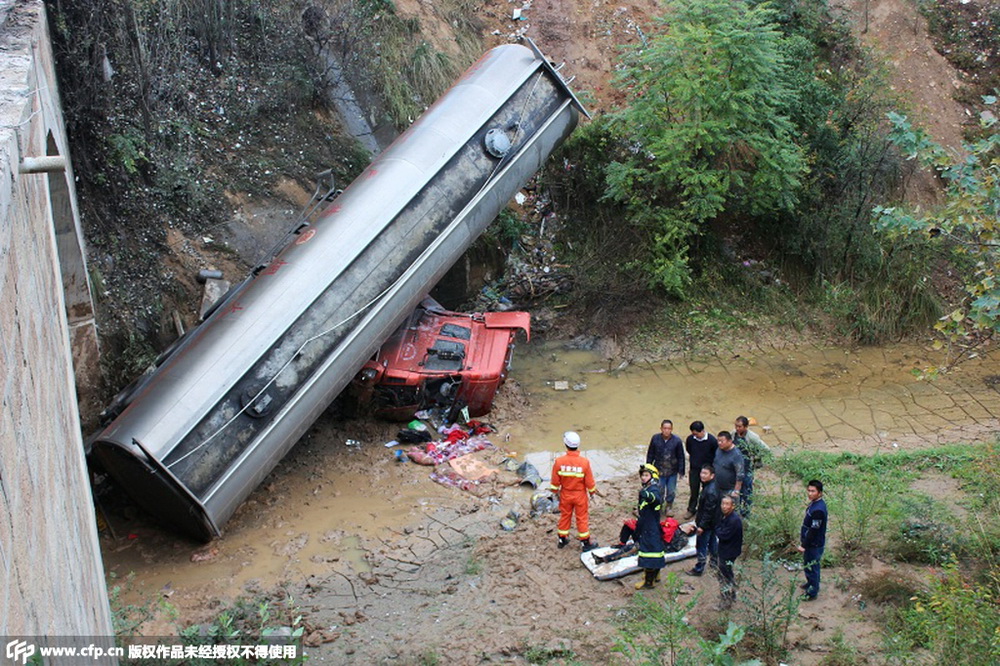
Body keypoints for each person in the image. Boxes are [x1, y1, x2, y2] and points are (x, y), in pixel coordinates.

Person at [549, 431, 601, 551]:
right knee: (582, 518)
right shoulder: (584, 462)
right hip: (580, 495)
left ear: (565, 444)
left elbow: (555, 481)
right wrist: (592, 493)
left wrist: (554, 492)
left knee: (565, 516)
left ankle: (562, 539)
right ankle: (585, 542)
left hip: (565, 494)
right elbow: (589, 481)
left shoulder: (559, 461)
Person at [633, 463, 666, 590]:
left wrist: (646, 495)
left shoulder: (653, 489)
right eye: (642, 475)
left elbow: (656, 499)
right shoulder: (648, 488)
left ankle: (649, 582)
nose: (643, 478)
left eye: (646, 475)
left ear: (652, 477)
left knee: (649, 553)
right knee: (655, 550)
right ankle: (656, 575)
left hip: (650, 526)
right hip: (648, 523)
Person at [685, 464, 720, 577]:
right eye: (701, 473)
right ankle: (714, 563)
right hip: (713, 522)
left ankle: (699, 568)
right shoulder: (710, 486)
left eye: (705, 473)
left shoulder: (710, 491)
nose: (702, 476)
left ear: (712, 475)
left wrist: (701, 526)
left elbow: (708, 511)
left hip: (707, 523)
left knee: (701, 545)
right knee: (712, 542)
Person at [733, 416, 772, 517]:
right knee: (736, 489)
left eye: (740, 426)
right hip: (735, 467)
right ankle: (736, 510)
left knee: (747, 490)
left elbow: (766, 449)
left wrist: (757, 458)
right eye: (736, 426)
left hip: (747, 467)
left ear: (746, 427)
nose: (737, 428)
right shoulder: (733, 434)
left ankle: (746, 513)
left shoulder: (752, 437)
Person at [645, 419, 685, 516]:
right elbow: (650, 453)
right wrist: (648, 468)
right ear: (661, 428)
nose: (666, 430)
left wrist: (681, 470)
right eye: (665, 428)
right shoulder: (655, 438)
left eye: (669, 428)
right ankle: (659, 506)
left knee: (671, 490)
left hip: (672, 471)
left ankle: (669, 506)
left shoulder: (677, 441)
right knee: (659, 490)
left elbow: (681, 456)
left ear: (672, 429)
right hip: (658, 470)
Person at [797, 479, 827, 601]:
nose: (810, 493)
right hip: (811, 542)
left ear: (820, 493)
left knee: (813, 567)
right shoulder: (815, 504)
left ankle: (812, 592)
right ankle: (810, 584)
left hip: (814, 544)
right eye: (809, 490)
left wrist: (804, 545)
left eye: (813, 491)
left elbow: (814, 530)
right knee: (808, 565)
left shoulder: (818, 510)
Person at [684, 421, 718, 520]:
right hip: (694, 469)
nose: (695, 436)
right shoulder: (690, 439)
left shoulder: (712, 440)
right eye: (693, 433)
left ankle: (703, 510)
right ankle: (691, 509)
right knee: (694, 490)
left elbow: (715, 454)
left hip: (707, 470)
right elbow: (689, 449)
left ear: (702, 431)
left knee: (707, 491)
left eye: (696, 434)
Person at [715, 493, 743, 610]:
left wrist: (716, 529)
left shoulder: (734, 520)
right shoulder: (727, 517)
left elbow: (723, 535)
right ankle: (731, 594)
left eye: (727, 504)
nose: (724, 506)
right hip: (727, 550)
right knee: (727, 573)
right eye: (723, 503)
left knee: (724, 575)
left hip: (729, 551)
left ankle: (726, 600)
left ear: (733, 506)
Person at [713, 431, 745, 498]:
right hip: (717, 486)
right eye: (718, 441)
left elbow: (740, 474)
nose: (719, 443)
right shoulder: (719, 449)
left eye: (722, 441)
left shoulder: (736, 455)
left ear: (729, 441)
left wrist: (736, 491)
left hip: (730, 489)